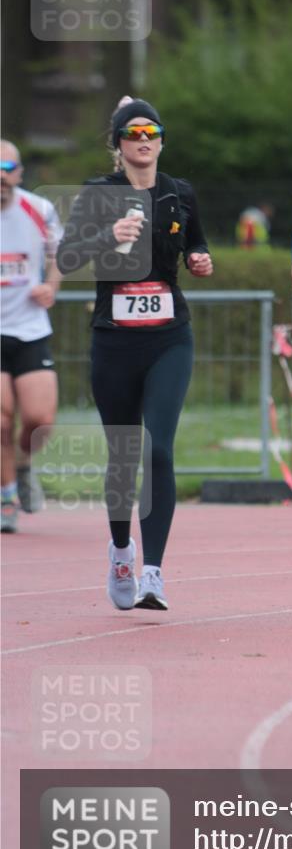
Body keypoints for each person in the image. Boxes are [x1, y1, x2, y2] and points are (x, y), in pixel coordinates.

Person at [57, 97, 213, 611]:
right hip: (114, 340)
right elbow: (67, 257)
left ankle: (153, 574)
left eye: (152, 132)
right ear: (118, 144)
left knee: (158, 449)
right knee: (123, 455)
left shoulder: (179, 192)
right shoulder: (98, 193)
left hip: (169, 336)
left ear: (162, 142)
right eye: (132, 133)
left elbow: (196, 244)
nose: (143, 140)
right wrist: (109, 235)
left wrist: (200, 258)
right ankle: (122, 550)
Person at [1, 140, 63, 534]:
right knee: (1, 420)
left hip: (30, 329)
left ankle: (24, 466)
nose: (0, 176)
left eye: (7, 168)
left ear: (20, 172)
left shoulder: (39, 208)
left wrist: (50, 287)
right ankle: (6, 496)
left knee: (40, 420)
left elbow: (60, 255)